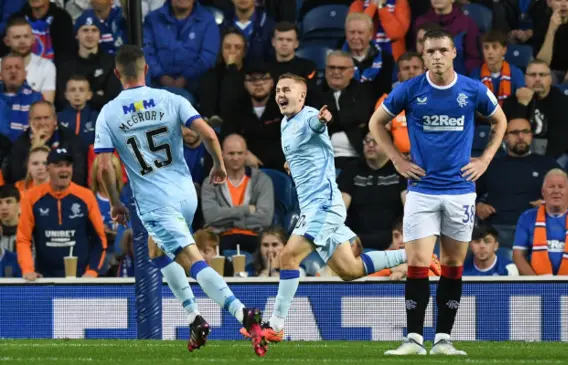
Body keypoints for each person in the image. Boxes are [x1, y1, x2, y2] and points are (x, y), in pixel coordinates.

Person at [93, 45, 268, 356]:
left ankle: (244, 313)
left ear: (117, 73)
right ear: (145, 69)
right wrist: (219, 164)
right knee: (155, 251)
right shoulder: (172, 99)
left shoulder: (108, 112)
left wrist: (115, 202)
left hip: (154, 201)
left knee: (190, 259)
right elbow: (209, 134)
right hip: (186, 194)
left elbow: (103, 165)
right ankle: (194, 318)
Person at [368, 28, 507, 356]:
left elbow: (500, 121)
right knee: (417, 262)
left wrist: (485, 159)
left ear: (453, 53)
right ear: (423, 54)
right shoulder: (409, 89)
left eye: (443, 50)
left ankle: (443, 338)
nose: (437, 57)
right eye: (430, 52)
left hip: (460, 191)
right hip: (421, 191)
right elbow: (376, 123)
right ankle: (414, 339)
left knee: (452, 264)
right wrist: (398, 161)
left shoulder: (472, 90)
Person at [240, 72, 408, 343]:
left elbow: (317, 126)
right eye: (279, 90)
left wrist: (322, 120)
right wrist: (291, 162)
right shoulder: (286, 123)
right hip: (313, 208)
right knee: (349, 271)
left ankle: (276, 325)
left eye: (287, 90)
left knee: (288, 257)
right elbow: (303, 149)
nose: (281, 95)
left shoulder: (308, 116)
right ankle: (412, 255)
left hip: (323, 207)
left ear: (302, 96)